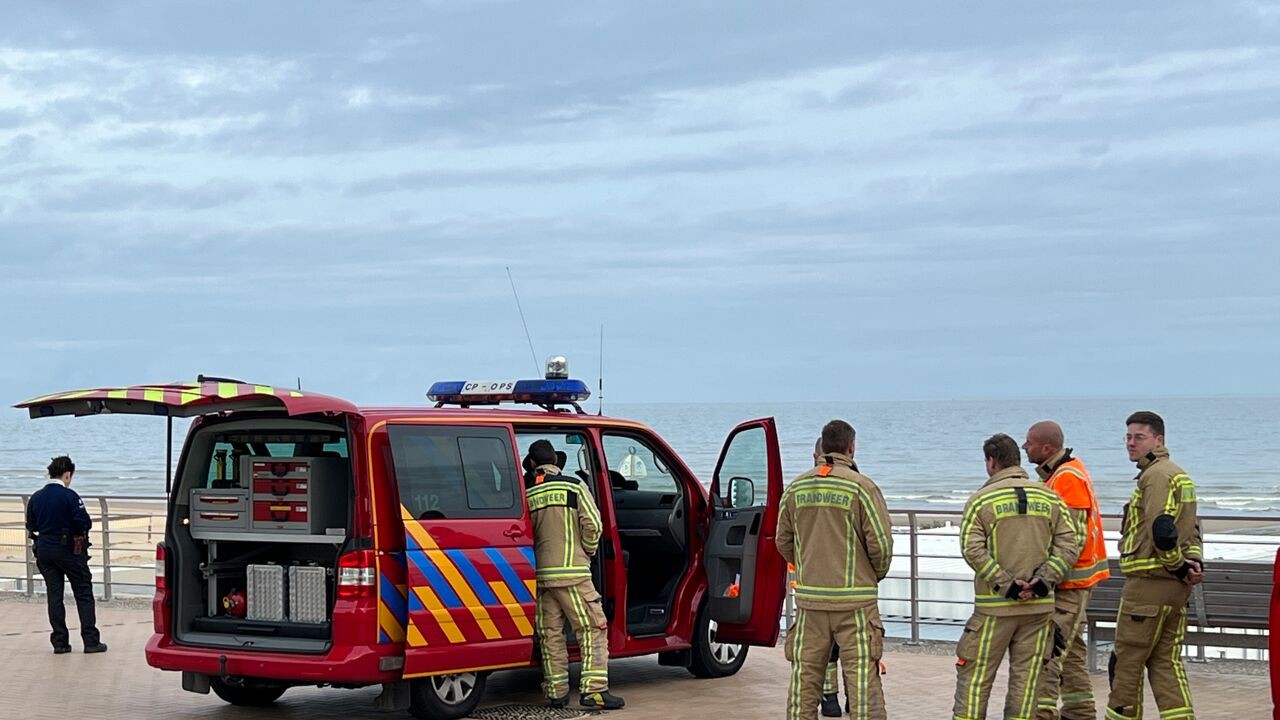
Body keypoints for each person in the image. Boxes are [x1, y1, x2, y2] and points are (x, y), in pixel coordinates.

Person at [952, 434, 1078, 720]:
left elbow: (971, 548)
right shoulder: (1050, 497)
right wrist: (1044, 581)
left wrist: (1005, 584)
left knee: (974, 681)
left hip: (994, 609)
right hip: (1038, 608)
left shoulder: (980, 500)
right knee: (1026, 684)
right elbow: (1070, 544)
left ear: (991, 461)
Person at [777, 420, 893, 720]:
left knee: (804, 683)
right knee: (863, 685)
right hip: (855, 604)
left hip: (810, 602)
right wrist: (870, 575)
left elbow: (783, 541)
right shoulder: (862, 487)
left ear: (821, 447)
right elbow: (880, 545)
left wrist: (808, 569)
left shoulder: (796, 487)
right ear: (851, 448)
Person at [1106, 412, 1202, 720]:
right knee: (1165, 663)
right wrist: (1191, 564)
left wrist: (1176, 565)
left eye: (1139, 437)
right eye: (1128, 437)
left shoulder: (1155, 476)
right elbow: (1191, 528)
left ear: (1158, 440)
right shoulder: (1179, 474)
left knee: (1126, 663)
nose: (1131, 444)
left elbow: (1162, 530)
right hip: (1175, 590)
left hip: (1147, 587)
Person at [523, 440, 623, 710]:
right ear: (556, 462)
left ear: (532, 465)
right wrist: (587, 553)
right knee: (592, 629)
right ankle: (594, 691)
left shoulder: (528, 494)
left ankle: (556, 692)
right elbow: (594, 525)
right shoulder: (574, 486)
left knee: (550, 634)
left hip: (542, 577)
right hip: (574, 574)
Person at [1023, 421, 1110, 720]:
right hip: (1073, 583)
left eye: (1029, 442)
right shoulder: (1060, 474)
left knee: (1048, 654)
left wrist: (1043, 578)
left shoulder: (1066, 478)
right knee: (1070, 653)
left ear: (1046, 448)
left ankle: (1042, 713)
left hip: (1070, 585)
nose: (1024, 447)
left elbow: (1069, 540)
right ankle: (1080, 711)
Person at [25, 456, 107, 654]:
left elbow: (31, 525)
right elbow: (83, 522)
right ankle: (90, 640)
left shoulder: (36, 497)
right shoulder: (70, 496)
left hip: (44, 549)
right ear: (67, 474)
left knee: (55, 595)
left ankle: (60, 642)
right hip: (69, 550)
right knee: (83, 593)